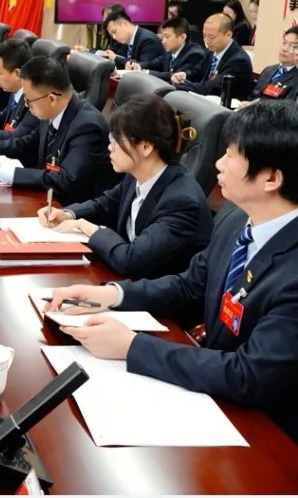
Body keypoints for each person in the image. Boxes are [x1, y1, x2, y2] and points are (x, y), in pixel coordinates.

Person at [45, 101, 298, 442]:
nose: (218, 163)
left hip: (270, 433)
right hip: (217, 390)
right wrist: (110, 294)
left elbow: (249, 374)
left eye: (231, 155)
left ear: (271, 178)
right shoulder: (238, 218)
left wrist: (132, 346)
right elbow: (189, 286)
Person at [38, 95, 212, 279]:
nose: (110, 147)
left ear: (145, 147)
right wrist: (68, 214)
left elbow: (132, 260)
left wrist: (92, 230)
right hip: (126, 279)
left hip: (156, 291)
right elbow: (105, 204)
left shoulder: (182, 202)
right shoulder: (136, 175)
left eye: (116, 139)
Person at [0, 56, 120, 205]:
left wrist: (3, 173)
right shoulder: (50, 111)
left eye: (29, 99)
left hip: (72, 209)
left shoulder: (87, 126)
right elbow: (26, 145)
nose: (26, 105)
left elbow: (65, 179)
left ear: (52, 99)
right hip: (46, 200)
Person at [173, 13, 254, 103]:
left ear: (228, 35)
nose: (207, 41)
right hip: (206, 100)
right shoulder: (212, 50)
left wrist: (180, 85)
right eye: (204, 35)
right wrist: (184, 75)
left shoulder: (238, 60)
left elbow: (212, 88)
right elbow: (198, 71)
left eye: (211, 37)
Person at [146, 17, 207, 83]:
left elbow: (176, 76)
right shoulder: (170, 50)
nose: (163, 41)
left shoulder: (194, 54)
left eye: (167, 37)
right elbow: (153, 64)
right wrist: (139, 66)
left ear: (182, 37)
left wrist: (147, 72)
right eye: (163, 37)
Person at [246, 27, 298, 102]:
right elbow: (253, 96)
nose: (284, 49)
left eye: (293, 46)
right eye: (284, 43)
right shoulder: (268, 70)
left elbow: (287, 106)